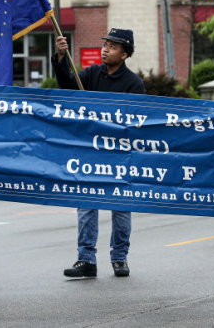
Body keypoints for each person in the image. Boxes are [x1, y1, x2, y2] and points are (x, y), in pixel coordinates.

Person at [53, 28, 145, 278]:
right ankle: (86, 259)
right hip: (90, 153)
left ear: (124, 54)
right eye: (105, 44)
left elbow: (137, 124)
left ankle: (119, 258)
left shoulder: (133, 84)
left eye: (113, 46)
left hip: (118, 155)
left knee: (121, 207)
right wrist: (61, 57)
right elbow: (67, 87)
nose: (106, 49)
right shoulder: (91, 74)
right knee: (86, 206)